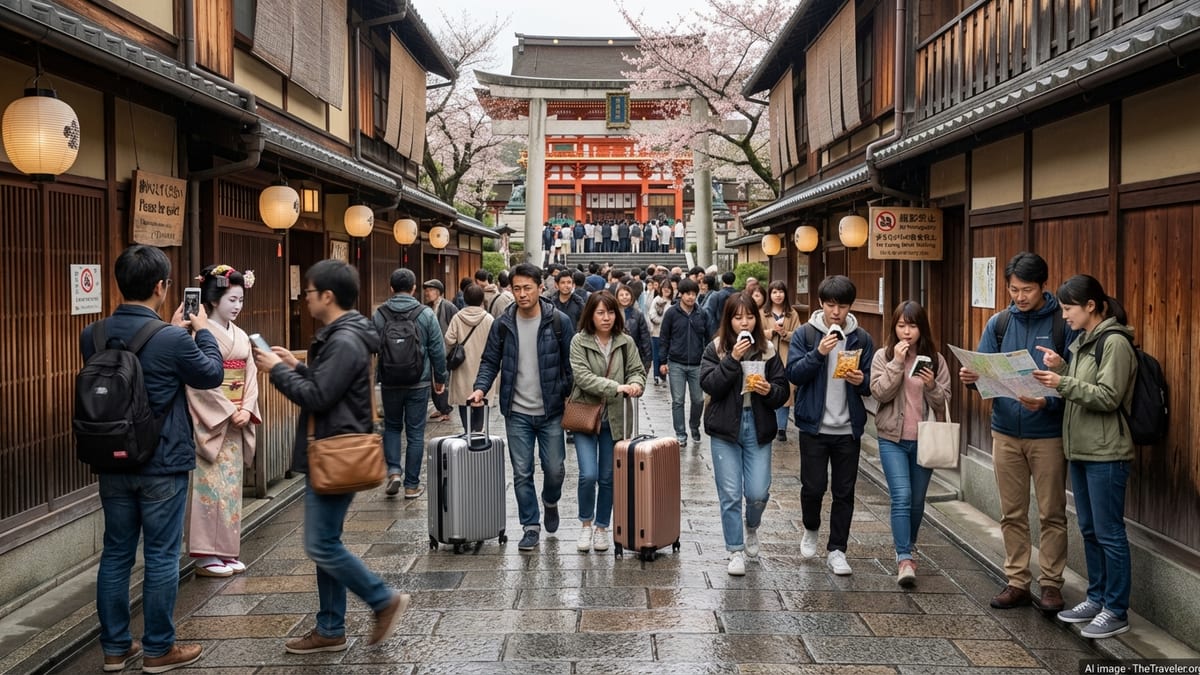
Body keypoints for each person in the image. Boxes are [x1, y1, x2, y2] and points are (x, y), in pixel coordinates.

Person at [254, 260, 409, 655]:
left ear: (327, 295)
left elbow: (319, 398)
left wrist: (276, 372)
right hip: (333, 444)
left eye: (308, 291)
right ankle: (329, 627)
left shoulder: (344, 340)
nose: (305, 298)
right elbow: (327, 387)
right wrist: (296, 366)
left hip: (334, 448)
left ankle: (382, 599)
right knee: (327, 541)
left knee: (321, 545)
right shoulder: (346, 334)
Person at [83, 245, 222, 673]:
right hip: (162, 460)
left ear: (119, 283)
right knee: (161, 556)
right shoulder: (173, 337)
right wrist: (203, 331)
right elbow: (211, 374)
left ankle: (115, 649)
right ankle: (159, 649)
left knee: (116, 552)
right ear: (162, 287)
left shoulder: (93, 334)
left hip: (112, 458)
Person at [959, 252, 1073, 612]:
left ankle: (1052, 584)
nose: (1019, 296)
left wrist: (1048, 404)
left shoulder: (1062, 323)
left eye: (1027, 289)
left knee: (1052, 512)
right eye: (1013, 289)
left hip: (1049, 433)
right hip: (1005, 429)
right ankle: (1017, 580)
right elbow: (983, 371)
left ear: (1043, 286)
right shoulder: (1000, 323)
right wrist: (971, 380)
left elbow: (1074, 380)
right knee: (1012, 512)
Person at [1031, 275, 1137, 639]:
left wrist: (1061, 382)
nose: (1064, 316)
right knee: (1090, 529)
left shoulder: (1115, 342)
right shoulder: (1083, 342)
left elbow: (1107, 396)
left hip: (1107, 451)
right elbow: (1083, 388)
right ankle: (1097, 598)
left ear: (1091, 306)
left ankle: (1116, 609)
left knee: (1109, 533)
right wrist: (1062, 368)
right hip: (1080, 448)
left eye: (1067, 308)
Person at [469, 263, 575, 552]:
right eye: (516, 288)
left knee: (555, 469)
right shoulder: (503, 324)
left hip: (551, 410)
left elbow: (571, 365)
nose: (522, 293)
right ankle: (530, 525)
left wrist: (569, 394)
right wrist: (480, 387)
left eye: (527, 287)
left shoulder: (559, 322)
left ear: (541, 288)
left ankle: (550, 500)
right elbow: (490, 360)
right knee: (521, 471)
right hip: (516, 411)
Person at [786, 275, 875, 576]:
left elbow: (868, 384)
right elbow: (794, 374)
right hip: (814, 426)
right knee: (813, 487)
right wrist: (820, 353)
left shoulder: (861, 338)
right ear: (821, 304)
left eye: (842, 306)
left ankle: (838, 549)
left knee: (844, 491)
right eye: (831, 305)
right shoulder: (806, 335)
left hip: (848, 428)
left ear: (850, 306)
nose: (836, 312)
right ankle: (811, 528)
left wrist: (862, 382)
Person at [701, 292, 789, 576]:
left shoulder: (767, 350)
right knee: (729, 493)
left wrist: (769, 390)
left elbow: (782, 390)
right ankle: (735, 549)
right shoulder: (715, 348)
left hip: (758, 424)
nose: (744, 323)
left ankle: (752, 525)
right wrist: (732, 359)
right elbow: (710, 385)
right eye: (738, 317)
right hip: (725, 428)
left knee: (757, 492)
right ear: (728, 320)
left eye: (750, 317)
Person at [186, 264, 261, 579]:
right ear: (214, 300)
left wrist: (246, 407)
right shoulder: (197, 335)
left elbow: (251, 375)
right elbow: (197, 381)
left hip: (236, 419)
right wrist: (230, 411)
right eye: (232, 299)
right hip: (212, 421)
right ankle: (204, 554)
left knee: (229, 489)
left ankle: (226, 551)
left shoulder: (241, 336)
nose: (237, 306)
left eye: (241, 300)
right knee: (208, 488)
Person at [869, 301, 952, 587]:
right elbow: (879, 392)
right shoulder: (883, 356)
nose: (906, 332)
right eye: (901, 326)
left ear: (922, 329)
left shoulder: (936, 360)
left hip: (925, 440)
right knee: (902, 496)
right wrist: (896, 363)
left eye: (912, 326)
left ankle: (909, 544)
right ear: (894, 327)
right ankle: (904, 557)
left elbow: (944, 402)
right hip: (892, 438)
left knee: (917, 501)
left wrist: (931, 385)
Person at [569, 291, 646, 553]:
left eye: (610, 312)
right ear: (590, 314)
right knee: (588, 474)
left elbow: (637, 371)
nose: (606, 317)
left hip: (616, 418)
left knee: (608, 476)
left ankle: (602, 527)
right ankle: (585, 525)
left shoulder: (625, 342)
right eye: (600, 312)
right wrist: (617, 386)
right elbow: (582, 377)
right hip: (585, 416)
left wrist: (636, 384)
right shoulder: (579, 342)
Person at [373, 268, 448, 498]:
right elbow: (438, 350)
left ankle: (394, 471)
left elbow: (373, 346)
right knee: (416, 433)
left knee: (393, 426)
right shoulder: (425, 314)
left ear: (391, 288)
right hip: (419, 381)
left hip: (390, 381)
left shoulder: (380, 314)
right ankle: (411, 485)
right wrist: (440, 379)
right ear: (414, 288)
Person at [659, 278, 711, 446]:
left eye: (694, 294)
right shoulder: (671, 313)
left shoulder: (702, 313)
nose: (691, 297)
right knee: (678, 400)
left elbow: (709, 338)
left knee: (698, 400)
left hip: (697, 363)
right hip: (676, 363)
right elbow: (664, 338)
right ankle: (680, 433)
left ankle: (694, 425)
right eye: (688, 294)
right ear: (680, 294)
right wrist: (662, 361)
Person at [443, 283, 495, 433]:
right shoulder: (489, 319)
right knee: (481, 400)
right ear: (481, 299)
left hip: (462, 367)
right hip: (484, 367)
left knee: (464, 401)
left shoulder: (458, 317)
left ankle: (468, 432)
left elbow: (449, 339)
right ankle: (478, 431)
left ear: (464, 298)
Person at [763, 280, 802, 442]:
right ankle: (767, 423)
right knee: (766, 388)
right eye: (774, 292)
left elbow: (799, 335)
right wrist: (772, 331)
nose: (778, 295)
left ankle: (781, 428)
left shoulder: (792, 314)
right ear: (769, 295)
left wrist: (786, 334)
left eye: (781, 292)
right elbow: (757, 332)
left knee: (784, 391)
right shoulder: (762, 313)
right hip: (767, 356)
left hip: (786, 356)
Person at [424, 278, 458, 423]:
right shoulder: (428, 308)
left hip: (445, 350)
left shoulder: (448, 306)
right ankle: (440, 408)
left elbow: (455, 325)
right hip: (432, 349)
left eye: (430, 290)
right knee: (434, 380)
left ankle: (446, 409)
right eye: (426, 290)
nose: (427, 293)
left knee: (443, 379)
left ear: (438, 292)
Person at [616, 284, 652, 370]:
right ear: (617, 297)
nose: (624, 297)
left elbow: (644, 337)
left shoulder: (638, 314)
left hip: (634, 353)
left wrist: (647, 358)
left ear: (631, 296)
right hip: (616, 355)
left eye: (627, 294)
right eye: (621, 295)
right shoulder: (612, 313)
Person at [648, 281, 674, 387]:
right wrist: (665, 321)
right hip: (657, 333)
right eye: (664, 287)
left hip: (670, 334)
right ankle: (656, 375)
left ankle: (664, 375)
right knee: (657, 355)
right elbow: (652, 315)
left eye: (668, 288)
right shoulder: (657, 300)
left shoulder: (673, 302)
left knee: (668, 355)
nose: (666, 289)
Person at [705, 271, 737, 337]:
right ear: (734, 280)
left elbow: (709, 313)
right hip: (735, 327)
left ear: (722, 281)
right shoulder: (738, 294)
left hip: (718, 327)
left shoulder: (716, 295)